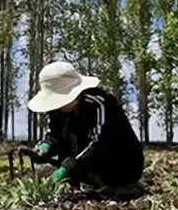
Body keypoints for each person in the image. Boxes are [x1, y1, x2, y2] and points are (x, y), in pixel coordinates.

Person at [27, 61, 144, 191]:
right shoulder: (57, 111)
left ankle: (99, 183)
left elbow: (98, 143)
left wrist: (71, 166)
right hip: (82, 164)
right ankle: (81, 180)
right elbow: (55, 134)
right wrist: (47, 145)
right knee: (44, 171)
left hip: (120, 167)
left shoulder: (99, 104)